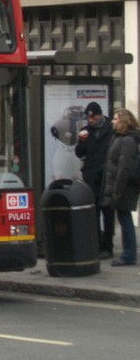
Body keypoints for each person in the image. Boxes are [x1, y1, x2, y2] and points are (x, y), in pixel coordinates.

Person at [74, 101, 114, 258]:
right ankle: (96, 243)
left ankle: (107, 245)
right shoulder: (85, 131)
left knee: (108, 211)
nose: (90, 120)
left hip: (106, 175)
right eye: (88, 117)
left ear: (99, 115)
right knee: (94, 211)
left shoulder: (110, 129)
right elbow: (79, 153)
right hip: (91, 175)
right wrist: (81, 142)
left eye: (93, 117)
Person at [101, 108, 140, 266]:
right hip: (121, 186)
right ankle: (128, 254)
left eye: (116, 119)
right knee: (124, 219)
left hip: (124, 187)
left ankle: (128, 255)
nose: (112, 121)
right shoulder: (120, 137)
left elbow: (124, 168)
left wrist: (116, 191)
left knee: (125, 220)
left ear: (123, 121)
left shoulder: (127, 140)